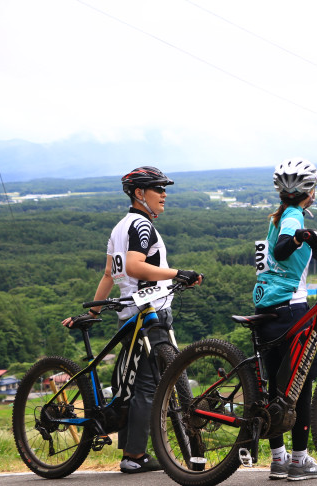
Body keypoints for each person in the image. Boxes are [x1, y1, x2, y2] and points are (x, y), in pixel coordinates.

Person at [62, 166, 202, 474]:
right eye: (158, 188)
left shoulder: (120, 227)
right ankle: (135, 456)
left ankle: (131, 450)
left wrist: (94, 312)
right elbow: (137, 267)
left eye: (165, 188)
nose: (164, 194)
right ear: (140, 193)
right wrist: (177, 273)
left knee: (135, 385)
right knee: (151, 386)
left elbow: (109, 274)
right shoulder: (142, 227)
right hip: (148, 314)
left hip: (129, 315)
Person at [252, 157, 317, 481]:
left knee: (275, 387)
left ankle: (278, 459)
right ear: (309, 190)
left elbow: (295, 249)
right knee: (301, 386)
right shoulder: (293, 216)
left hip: (265, 308)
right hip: (291, 311)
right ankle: (299, 462)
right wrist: (301, 236)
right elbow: (285, 247)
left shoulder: (278, 216)